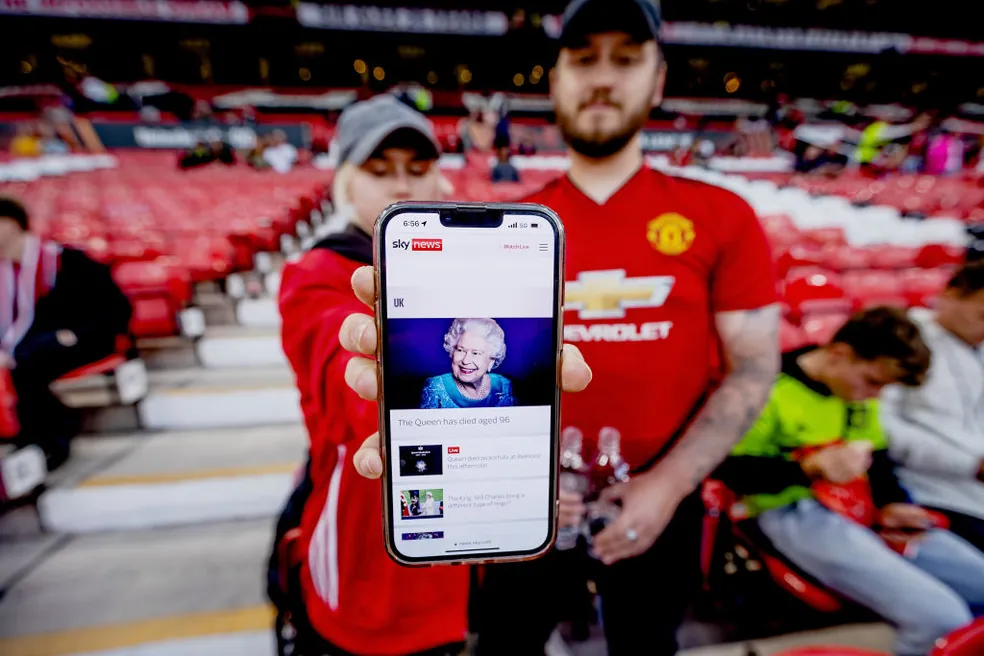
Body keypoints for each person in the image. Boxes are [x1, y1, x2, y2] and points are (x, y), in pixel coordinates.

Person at [344, 1, 779, 653]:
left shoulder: (722, 215)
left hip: (661, 501)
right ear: (554, 80)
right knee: (506, 645)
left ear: (658, 80)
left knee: (647, 643)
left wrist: (666, 487)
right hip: (526, 503)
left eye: (627, 59)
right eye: (582, 59)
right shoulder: (514, 227)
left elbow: (753, 366)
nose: (603, 78)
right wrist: (502, 471)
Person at [274, 95, 470, 656]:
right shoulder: (316, 275)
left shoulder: (463, 267)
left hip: (456, 544)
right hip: (368, 552)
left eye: (416, 168)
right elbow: (356, 395)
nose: (399, 184)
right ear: (346, 184)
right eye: (379, 171)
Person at [715, 307, 984, 656]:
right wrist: (808, 469)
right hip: (789, 511)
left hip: (862, 509)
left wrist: (892, 504)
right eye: (873, 382)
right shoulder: (765, 390)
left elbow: (879, 457)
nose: (875, 395)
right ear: (840, 354)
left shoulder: (859, 395)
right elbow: (729, 472)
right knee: (940, 618)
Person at [0, 197, 132, 469]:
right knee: (26, 359)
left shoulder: (64, 261)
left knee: (28, 364)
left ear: (12, 225)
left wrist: (74, 333)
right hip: (31, 347)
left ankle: (49, 440)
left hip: (85, 339)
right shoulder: (4, 275)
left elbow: (116, 308)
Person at [881, 263, 984, 553]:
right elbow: (883, 428)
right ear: (951, 295)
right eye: (982, 315)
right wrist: (971, 465)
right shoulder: (903, 339)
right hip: (927, 489)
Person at [420, 318, 515, 409]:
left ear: (491, 361)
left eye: (475, 353)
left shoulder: (504, 385)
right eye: (460, 350)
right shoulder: (435, 387)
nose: (465, 361)